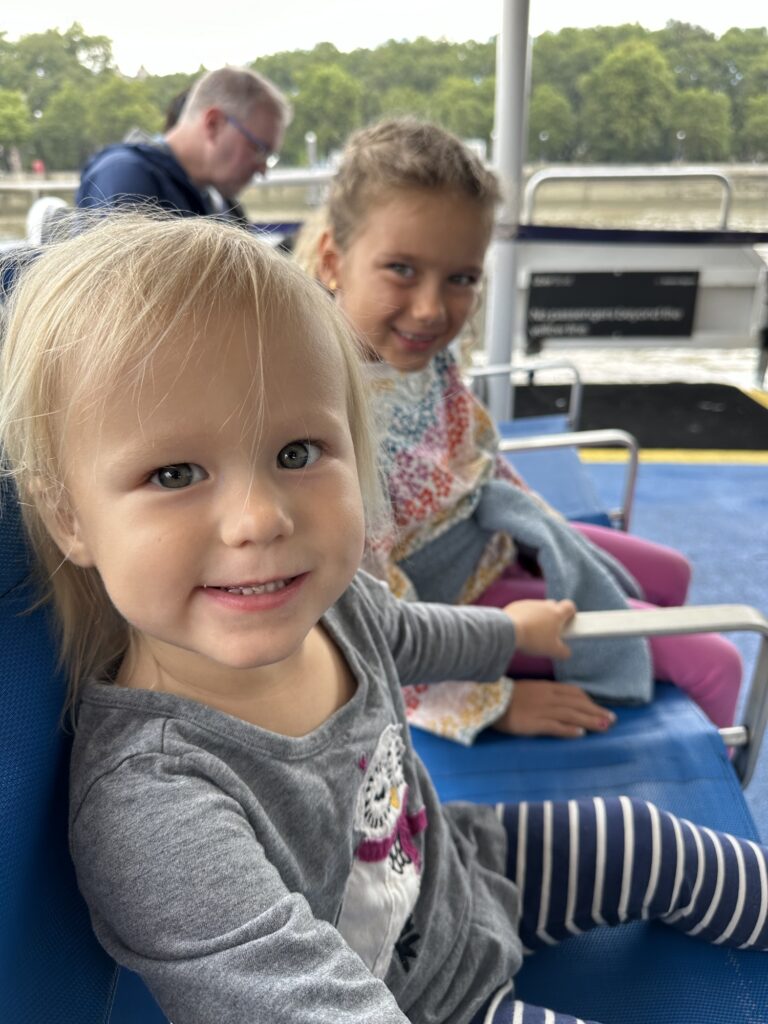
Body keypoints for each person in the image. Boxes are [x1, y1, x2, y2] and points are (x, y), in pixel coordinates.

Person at [1, 212, 766, 1024]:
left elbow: (417, 634)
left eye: (297, 454)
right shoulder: (155, 810)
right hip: (425, 1002)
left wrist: (517, 634)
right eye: (176, 472)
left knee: (650, 840)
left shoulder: (332, 605)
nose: (258, 520)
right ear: (70, 518)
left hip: (463, 866)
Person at [305, 117, 743, 743]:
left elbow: (475, 455)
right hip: (450, 607)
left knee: (670, 573)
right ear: (333, 260)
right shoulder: (321, 418)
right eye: (401, 269)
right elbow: (358, 625)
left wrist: (544, 534)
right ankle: (705, 788)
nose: (431, 309)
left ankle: (645, 658)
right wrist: (490, 701)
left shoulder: (420, 358)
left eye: (461, 278)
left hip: (489, 534)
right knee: (717, 663)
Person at [77, 66, 290, 220]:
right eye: (259, 149)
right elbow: (122, 281)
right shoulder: (125, 176)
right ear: (213, 124)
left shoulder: (216, 200)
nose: (262, 169)